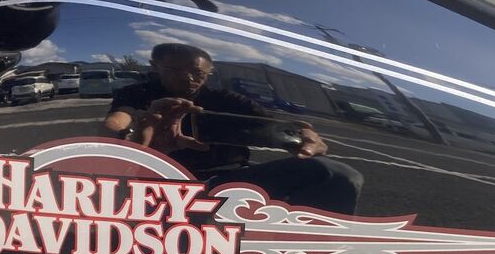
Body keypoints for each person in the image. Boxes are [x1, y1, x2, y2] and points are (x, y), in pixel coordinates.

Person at [104, 43, 363, 215]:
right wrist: (139, 130)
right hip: (155, 185)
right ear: (155, 66)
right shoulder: (137, 93)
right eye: (175, 70)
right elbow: (117, 120)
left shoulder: (228, 101)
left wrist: (307, 138)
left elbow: (275, 126)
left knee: (335, 172)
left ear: (209, 73)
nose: (188, 78)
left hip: (225, 181)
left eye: (197, 73)